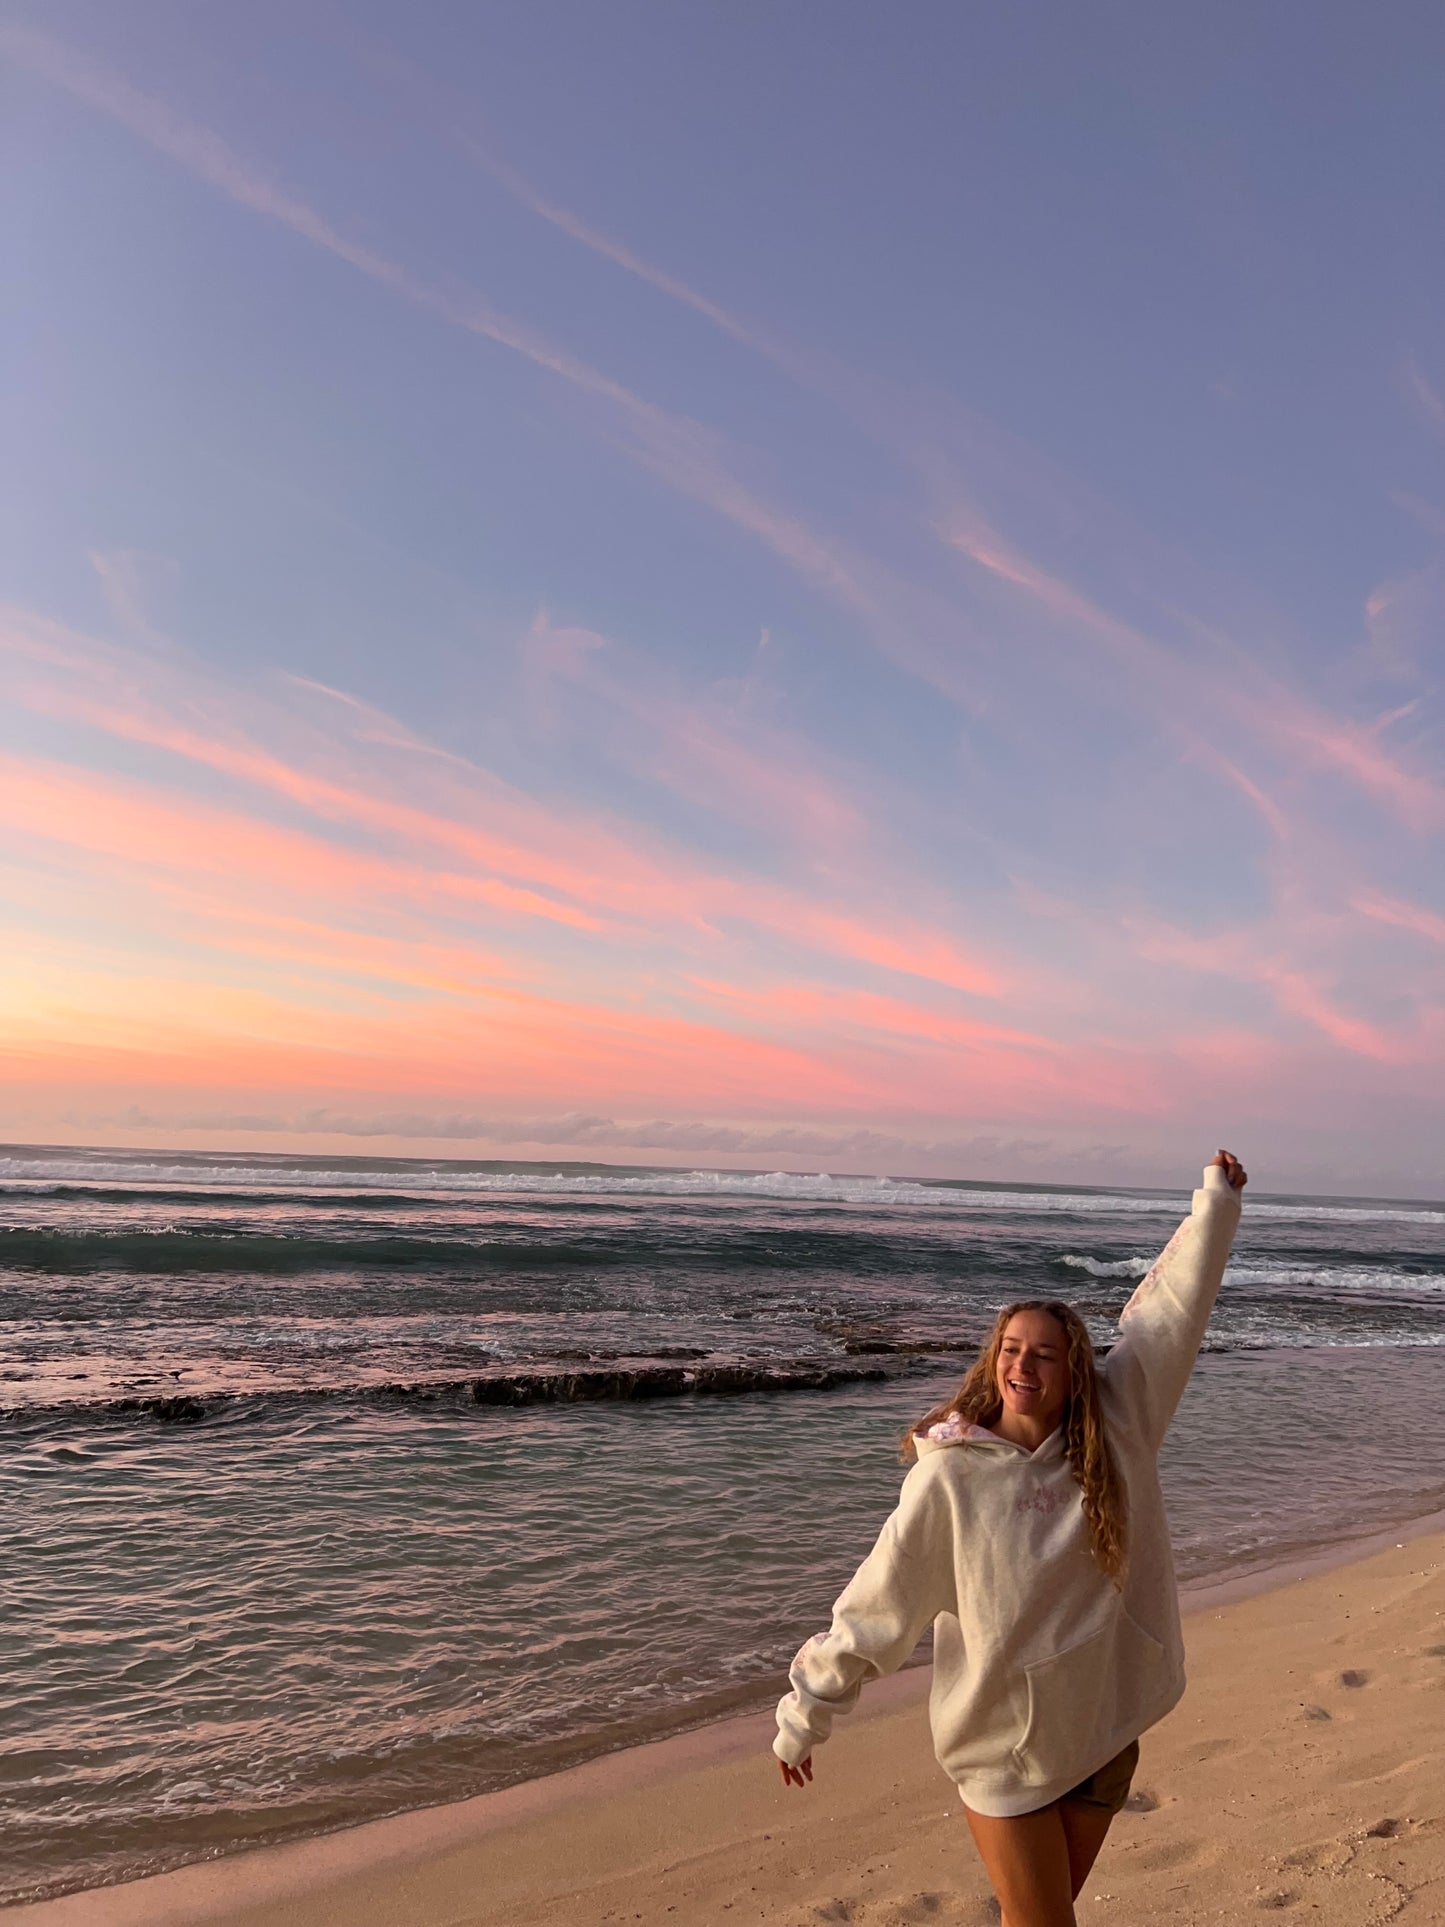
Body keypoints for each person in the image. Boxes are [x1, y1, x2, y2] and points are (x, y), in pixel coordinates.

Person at [773, 1150, 1248, 1927]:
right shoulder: (948, 1479)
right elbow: (876, 1604)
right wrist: (805, 1713)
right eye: (1010, 1348)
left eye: (1044, 1352)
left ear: (1073, 1372)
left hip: (1104, 1729)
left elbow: (1168, 1316)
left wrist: (1215, 1206)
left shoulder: (1119, 1425)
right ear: (994, 1362)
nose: (1023, 1362)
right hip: (1002, 1747)